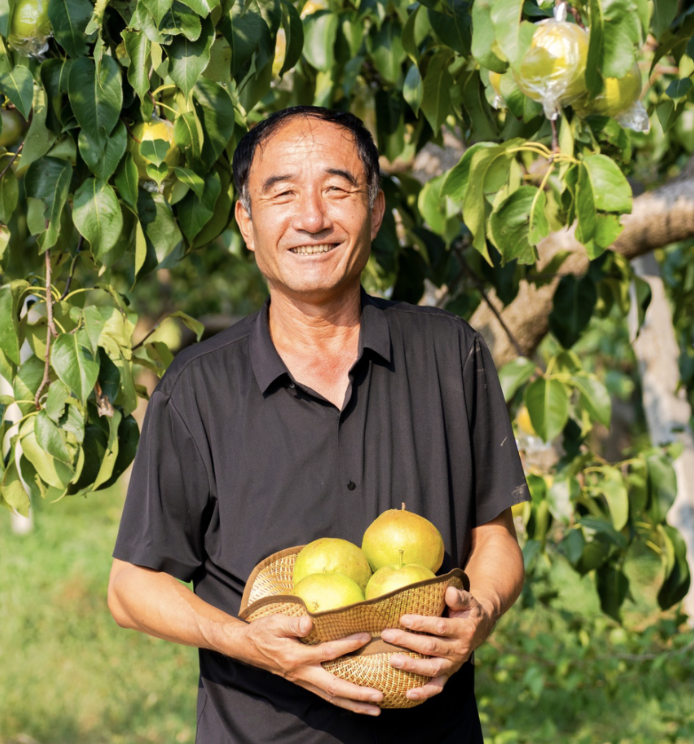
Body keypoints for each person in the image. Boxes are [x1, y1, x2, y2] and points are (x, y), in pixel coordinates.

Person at [107, 106, 529, 743]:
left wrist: (483, 612)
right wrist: (250, 643)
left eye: (337, 189)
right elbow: (131, 588)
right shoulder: (197, 391)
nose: (312, 218)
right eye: (282, 194)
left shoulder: (451, 357)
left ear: (377, 210)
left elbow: (494, 538)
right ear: (247, 223)